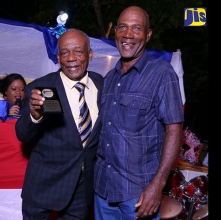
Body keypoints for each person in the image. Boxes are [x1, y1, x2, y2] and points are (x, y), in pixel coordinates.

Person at [93, 6, 184, 220]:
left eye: (137, 28)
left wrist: (158, 185)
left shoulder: (162, 73)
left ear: (148, 34)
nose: (128, 34)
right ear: (115, 31)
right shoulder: (109, 79)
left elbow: (174, 129)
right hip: (103, 190)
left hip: (139, 195)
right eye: (122, 27)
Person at [15, 29, 104, 220]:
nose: (71, 58)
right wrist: (34, 115)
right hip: (43, 186)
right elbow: (22, 134)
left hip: (81, 189)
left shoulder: (102, 85)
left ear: (89, 54)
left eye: (78, 51)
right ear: (58, 57)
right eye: (64, 52)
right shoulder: (40, 88)